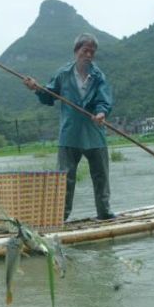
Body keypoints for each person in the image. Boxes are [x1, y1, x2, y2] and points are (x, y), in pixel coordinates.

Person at [23, 32, 115, 221]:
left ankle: (104, 213)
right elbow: (49, 96)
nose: (88, 55)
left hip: (94, 133)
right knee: (64, 178)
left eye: (92, 51)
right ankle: (61, 216)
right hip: (70, 134)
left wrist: (101, 113)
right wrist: (36, 88)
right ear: (76, 51)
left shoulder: (99, 77)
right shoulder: (63, 74)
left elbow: (103, 101)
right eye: (85, 50)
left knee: (101, 177)